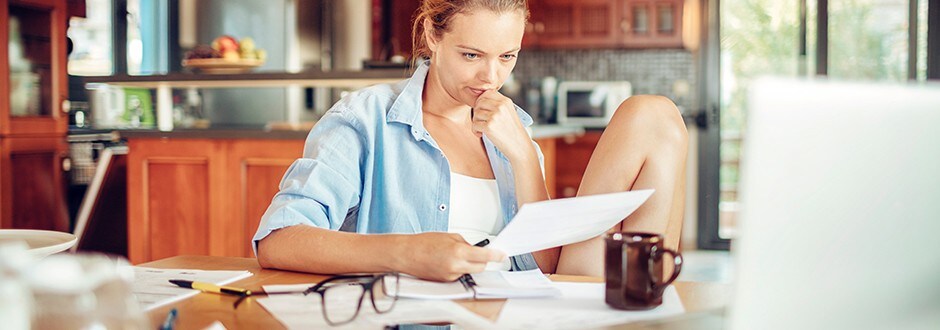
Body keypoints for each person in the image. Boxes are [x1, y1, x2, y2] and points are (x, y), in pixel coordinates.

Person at [254, 0, 688, 282]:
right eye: (471, 55)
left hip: (527, 310)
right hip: (420, 317)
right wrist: (405, 253)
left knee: (654, 115)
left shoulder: (514, 128)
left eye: (507, 57)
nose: (491, 77)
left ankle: (651, 298)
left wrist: (522, 155)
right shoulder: (364, 120)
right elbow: (279, 240)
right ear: (431, 36)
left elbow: (551, 266)